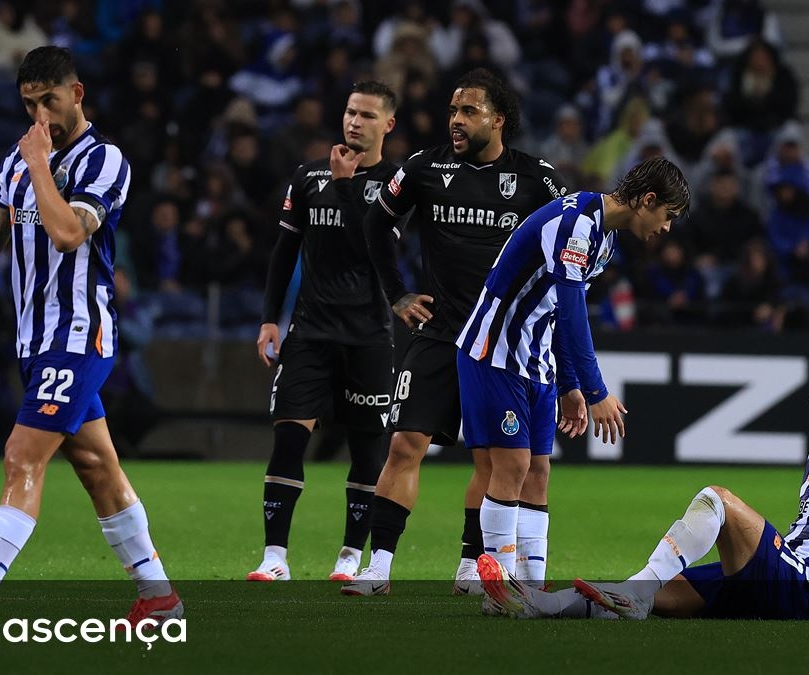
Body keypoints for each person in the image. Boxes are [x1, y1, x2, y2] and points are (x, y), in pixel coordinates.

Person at [0, 46, 181, 626]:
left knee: (20, 457)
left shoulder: (102, 160)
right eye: (29, 105)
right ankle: (159, 597)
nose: (41, 118)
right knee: (97, 468)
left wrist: (39, 163)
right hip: (35, 341)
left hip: (78, 334)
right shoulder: (17, 158)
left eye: (49, 102)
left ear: (76, 94)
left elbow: (65, 235)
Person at [478, 364, 809, 625]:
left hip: (795, 583)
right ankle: (538, 606)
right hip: (787, 582)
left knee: (716, 498)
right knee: (654, 596)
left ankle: (632, 592)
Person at [343, 68, 569, 596]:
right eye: (452, 111)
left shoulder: (538, 180)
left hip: (501, 344)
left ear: (499, 119)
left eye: (468, 111)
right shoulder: (425, 167)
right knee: (403, 445)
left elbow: (568, 257)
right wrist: (396, 292)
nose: (456, 121)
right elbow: (376, 225)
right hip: (441, 334)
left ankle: (472, 562)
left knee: (490, 459)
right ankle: (379, 566)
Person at [457, 157, 689, 589]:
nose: (667, 228)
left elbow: (558, 314)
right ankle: (499, 585)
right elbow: (572, 310)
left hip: (536, 359)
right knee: (513, 464)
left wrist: (569, 385)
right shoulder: (576, 224)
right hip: (494, 351)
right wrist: (596, 388)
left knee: (538, 472)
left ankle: (531, 586)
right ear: (648, 200)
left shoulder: (605, 239)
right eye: (668, 216)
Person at [247, 81, 401, 583]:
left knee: (367, 450)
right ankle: (274, 557)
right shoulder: (307, 175)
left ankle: (349, 556)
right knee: (289, 440)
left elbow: (377, 249)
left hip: (370, 334)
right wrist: (272, 317)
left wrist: (348, 186)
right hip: (310, 331)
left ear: (388, 125)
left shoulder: (399, 183)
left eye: (368, 116)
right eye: (350, 112)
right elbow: (283, 252)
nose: (355, 122)